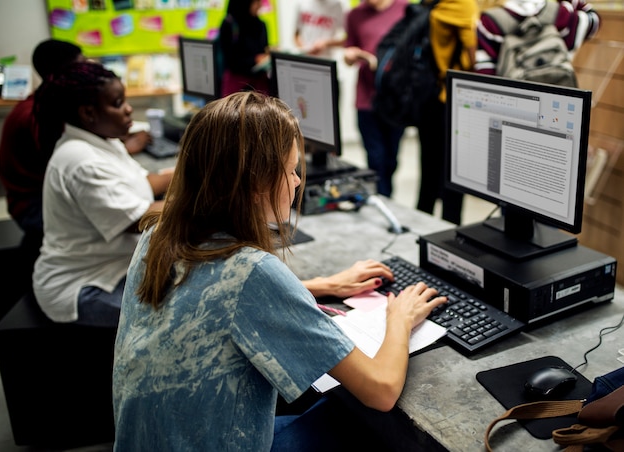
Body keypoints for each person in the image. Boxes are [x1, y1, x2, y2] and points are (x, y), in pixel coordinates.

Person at [112, 91, 447, 450]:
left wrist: (321, 284)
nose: (298, 181)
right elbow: (380, 390)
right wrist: (399, 316)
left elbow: (210, 295)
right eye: (291, 170)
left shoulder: (158, 231)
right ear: (256, 185)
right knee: (364, 421)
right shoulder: (252, 272)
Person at [31, 62, 173, 327]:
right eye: (118, 103)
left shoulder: (101, 140)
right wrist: (212, 193)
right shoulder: (81, 160)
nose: (129, 109)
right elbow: (139, 219)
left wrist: (198, 169)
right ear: (88, 113)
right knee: (179, 317)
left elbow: (144, 182)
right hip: (86, 284)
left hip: (112, 265)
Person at [0, 39, 151, 272]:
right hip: (32, 204)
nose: (88, 69)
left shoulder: (82, 128)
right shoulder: (42, 120)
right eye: (80, 66)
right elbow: (80, 172)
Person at [415, 0, 479, 225]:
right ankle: (449, 232)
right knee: (454, 178)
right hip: (453, 99)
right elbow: (474, 56)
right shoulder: (462, 4)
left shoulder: (432, 5)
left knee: (428, 172)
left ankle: (420, 226)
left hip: (429, 96)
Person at [343, 0, 408, 198]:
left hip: (395, 98)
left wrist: (382, 64)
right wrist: (351, 55)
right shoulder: (355, 15)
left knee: (391, 159)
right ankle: (382, 200)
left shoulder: (405, 10)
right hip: (366, 98)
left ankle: (386, 198)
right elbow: (348, 54)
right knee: (375, 158)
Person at [475, 0, 600, 77]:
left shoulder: (490, 20)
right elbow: (594, 22)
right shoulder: (561, 14)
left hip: (511, 103)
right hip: (556, 100)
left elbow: (485, 72)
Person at [219, 0, 271, 97]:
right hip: (236, 88)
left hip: (259, 86)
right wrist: (254, 59)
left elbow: (263, 49)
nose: (260, 6)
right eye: (256, 2)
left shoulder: (261, 25)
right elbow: (230, 60)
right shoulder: (229, 24)